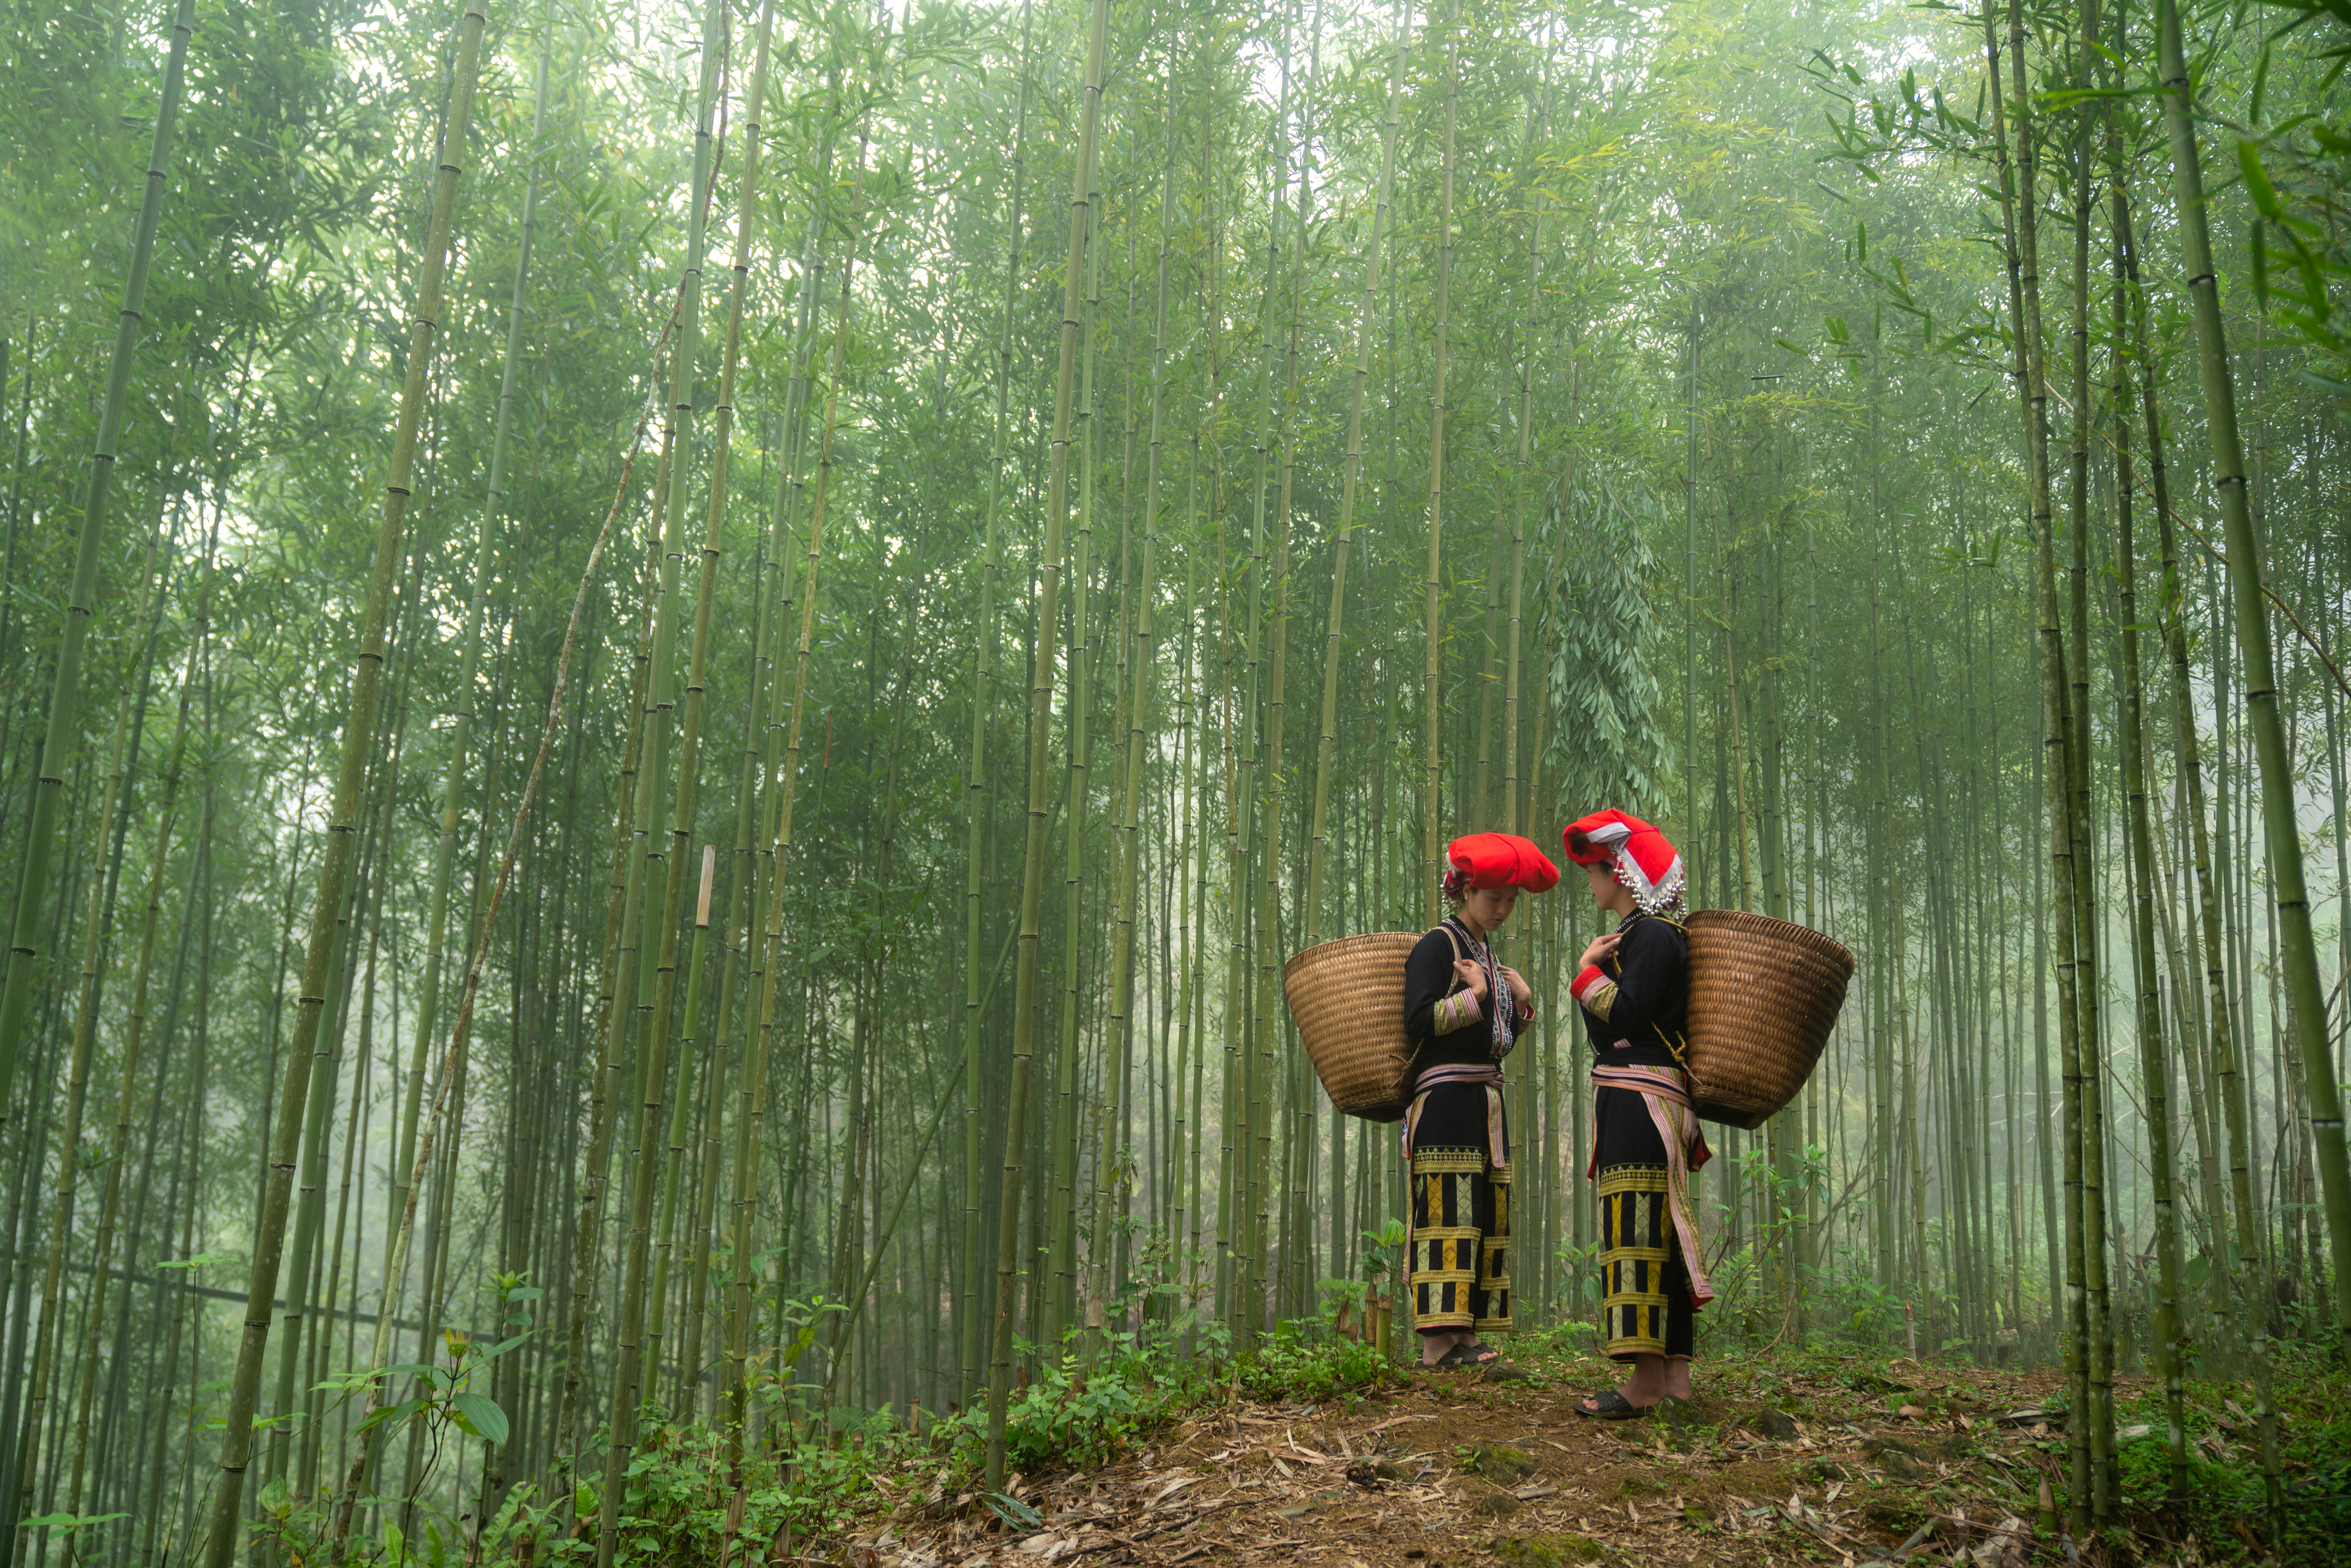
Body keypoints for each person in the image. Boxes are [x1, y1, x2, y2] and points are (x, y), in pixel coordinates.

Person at [1560, 809, 1715, 1418]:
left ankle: (1645, 1383)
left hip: (1639, 1101)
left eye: (1595, 873)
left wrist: (1585, 972)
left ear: (1619, 872)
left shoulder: (1651, 936)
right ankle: (1673, 1380)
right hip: (1645, 1095)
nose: (1591, 884)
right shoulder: (1648, 937)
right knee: (1660, 1232)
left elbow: (1624, 1019)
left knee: (1638, 1232)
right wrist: (1594, 971)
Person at [1399, 831, 1558, 1371]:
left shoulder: (1485, 954)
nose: (1504, 910)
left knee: (1481, 1213)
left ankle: (1464, 1336)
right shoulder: (1436, 946)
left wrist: (1523, 1005)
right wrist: (1478, 997)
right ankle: (1435, 1346)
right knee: (1446, 1211)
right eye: (1495, 899)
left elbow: (1496, 1043)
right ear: (1466, 891)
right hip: (1444, 1102)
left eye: (1512, 901)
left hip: (1482, 1101)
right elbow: (1418, 1023)